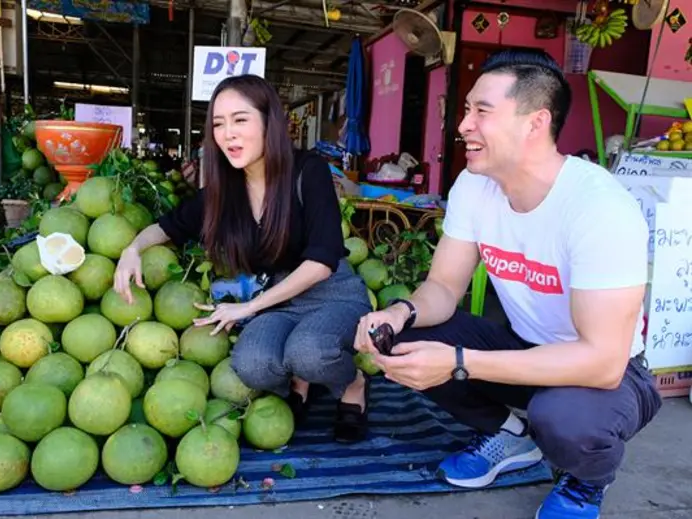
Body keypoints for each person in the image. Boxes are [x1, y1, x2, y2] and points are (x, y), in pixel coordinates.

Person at [353, 49, 662, 518]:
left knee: (562, 418)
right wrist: (398, 314)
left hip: (611, 375)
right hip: (524, 347)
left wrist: (459, 362)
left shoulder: (599, 208)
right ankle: (509, 437)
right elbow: (441, 288)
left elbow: (602, 362)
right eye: (466, 110)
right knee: (403, 339)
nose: (463, 126)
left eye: (482, 111)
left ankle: (584, 482)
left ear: (535, 123)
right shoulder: (474, 187)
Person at [114, 74, 373, 443]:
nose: (228, 134)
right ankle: (300, 377)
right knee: (253, 366)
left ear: (270, 121)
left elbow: (322, 261)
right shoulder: (223, 192)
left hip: (330, 292)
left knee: (311, 351)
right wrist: (131, 251)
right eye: (218, 124)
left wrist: (246, 309)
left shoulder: (308, 171)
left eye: (240, 119)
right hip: (278, 302)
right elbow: (166, 227)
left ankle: (352, 384)